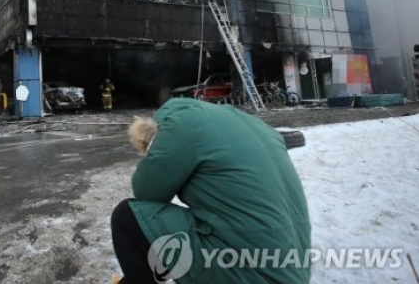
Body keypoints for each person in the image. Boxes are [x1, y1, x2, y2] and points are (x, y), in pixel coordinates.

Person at [111, 99, 311, 284]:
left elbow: (146, 190)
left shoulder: (179, 124)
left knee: (128, 216)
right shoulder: (253, 124)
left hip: (252, 272)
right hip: (294, 270)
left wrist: (152, 153)